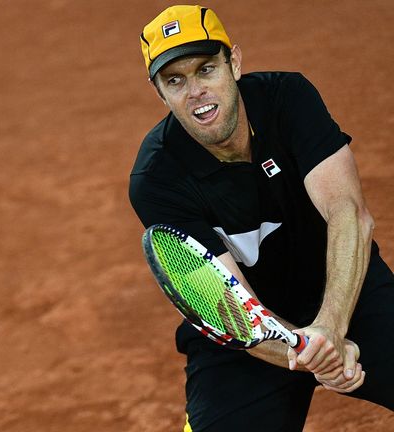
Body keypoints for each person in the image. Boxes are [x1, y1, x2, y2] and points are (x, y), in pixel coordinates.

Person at [129, 5, 394, 431]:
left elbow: (349, 214)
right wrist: (309, 351)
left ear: (234, 63)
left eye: (206, 68)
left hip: (345, 284)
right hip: (244, 334)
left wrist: (330, 325)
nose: (195, 90)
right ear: (159, 93)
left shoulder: (287, 99)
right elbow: (230, 308)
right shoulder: (156, 180)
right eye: (175, 80)